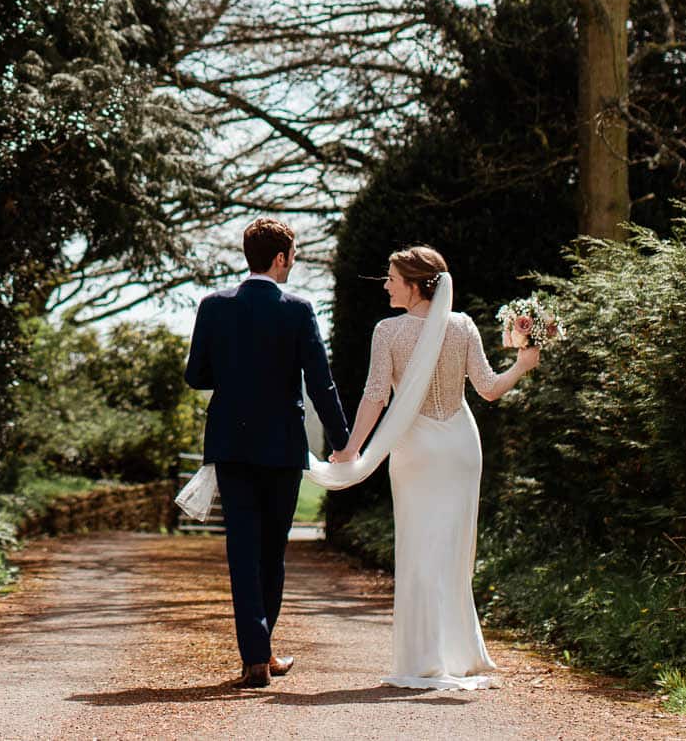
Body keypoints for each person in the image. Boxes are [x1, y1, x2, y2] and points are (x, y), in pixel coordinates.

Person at [315, 245, 539, 689]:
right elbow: (490, 390)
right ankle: (457, 653)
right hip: (459, 444)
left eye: (393, 278)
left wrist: (350, 450)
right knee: (454, 552)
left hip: (416, 447)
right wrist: (523, 363)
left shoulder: (388, 331)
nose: (385, 284)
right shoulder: (463, 326)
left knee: (420, 550)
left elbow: (376, 395)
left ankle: (424, 657)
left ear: (416, 285)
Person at [184, 217, 351, 689]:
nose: (293, 262)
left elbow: (196, 376)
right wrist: (342, 441)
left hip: (231, 444)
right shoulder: (298, 310)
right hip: (281, 446)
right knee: (271, 553)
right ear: (280, 258)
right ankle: (262, 653)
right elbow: (321, 381)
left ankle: (257, 657)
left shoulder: (213, 306)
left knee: (242, 550)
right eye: (293, 255)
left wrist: (236, 374)